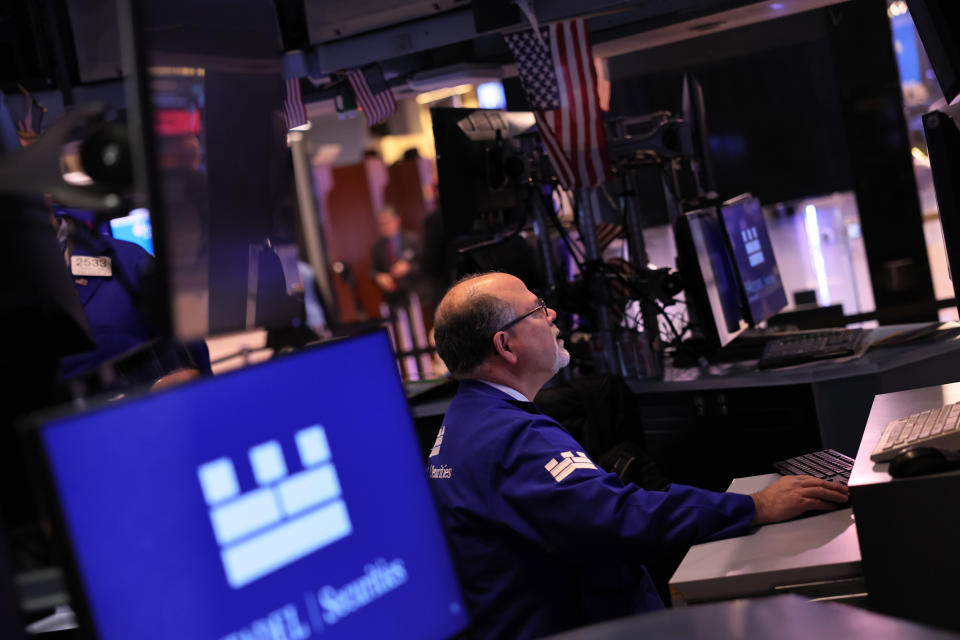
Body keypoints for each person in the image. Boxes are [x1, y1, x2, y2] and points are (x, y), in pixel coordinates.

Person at [428, 272, 849, 640]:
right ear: (505, 345)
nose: (552, 315)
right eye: (536, 310)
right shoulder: (514, 436)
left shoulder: (468, 419)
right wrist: (754, 506)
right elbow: (618, 517)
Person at [370, 205, 423, 308]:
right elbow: (372, 270)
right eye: (381, 224)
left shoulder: (413, 239)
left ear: (397, 220)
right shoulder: (377, 247)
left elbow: (426, 264)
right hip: (394, 299)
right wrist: (379, 277)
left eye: (388, 222)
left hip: (417, 295)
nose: (385, 226)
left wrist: (409, 267)